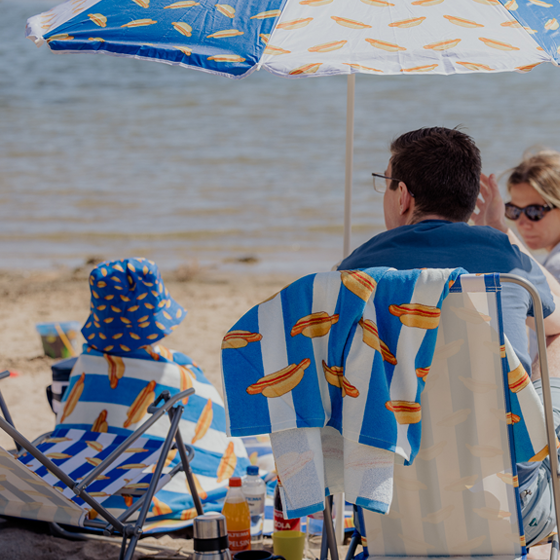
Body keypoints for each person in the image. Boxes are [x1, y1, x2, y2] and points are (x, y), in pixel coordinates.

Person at [338, 126, 560, 547]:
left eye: (386, 183)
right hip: (514, 511)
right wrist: (501, 231)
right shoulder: (506, 261)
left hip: (387, 511)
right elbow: (556, 324)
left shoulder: (352, 274)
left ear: (403, 196)